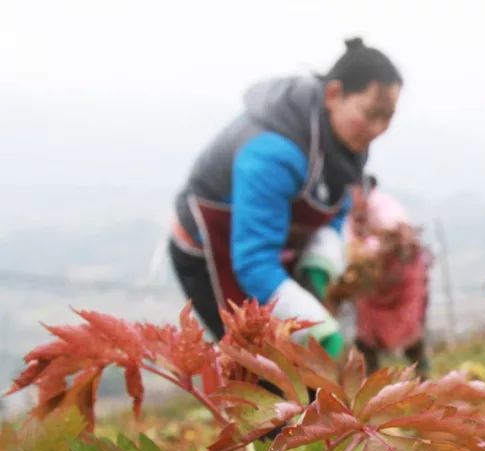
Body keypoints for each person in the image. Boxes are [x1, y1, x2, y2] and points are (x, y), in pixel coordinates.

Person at [168, 38, 402, 357]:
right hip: (212, 251)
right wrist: (318, 328)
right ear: (334, 94)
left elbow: (336, 206)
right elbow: (253, 261)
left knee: (298, 359)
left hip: (268, 250)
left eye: (387, 117)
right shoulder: (273, 152)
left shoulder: (344, 141)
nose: (377, 128)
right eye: (370, 113)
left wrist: (318, 264)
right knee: (256, 362)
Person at [330, 178, 431, 375]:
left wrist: (373, 249)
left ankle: (423, 376)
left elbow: (398, 234)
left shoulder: (383, 205)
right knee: (367, 332)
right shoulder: (348, 214)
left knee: (410, 328)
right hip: (373, 286)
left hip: (402, 279)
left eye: (353, 191)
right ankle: (370, 383)